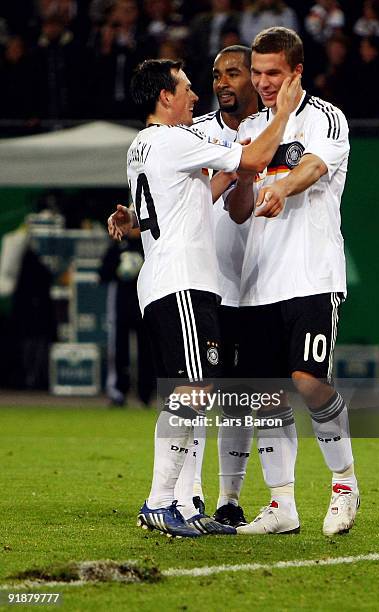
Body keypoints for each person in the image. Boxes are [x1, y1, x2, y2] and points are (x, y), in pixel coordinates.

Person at [107, 57, 301, 537]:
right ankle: (158, 503)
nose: (197, 97)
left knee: (190, 393)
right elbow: (253, 160)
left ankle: (183, 505)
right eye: (187, 88)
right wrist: (283, 114)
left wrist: (131, 219)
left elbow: (202, 193)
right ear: (164, 97)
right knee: (192, 394)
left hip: (166, 281)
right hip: (182, 282)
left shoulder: (144, 145)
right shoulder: (174, 139)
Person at [227, 27, 359, 536]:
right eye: (256, 72)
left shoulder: (326, 117)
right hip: (258, 281)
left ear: (296, 72)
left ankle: (344, 484)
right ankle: (282, 505)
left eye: (272, 73)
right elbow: (239, 211)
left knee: (308, 381)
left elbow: (313, 166)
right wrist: (244, 179)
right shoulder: (253, 127)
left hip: (310, 273)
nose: (261, 82)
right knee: (267, 396)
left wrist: (281, 183)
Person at [174, 45, 260, 528]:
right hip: (205, 282)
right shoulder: (196, 134)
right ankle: (191, 496)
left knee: (240, 395)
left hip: (258, 280)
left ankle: (230, 497)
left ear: (254, 78)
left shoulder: (273, 130)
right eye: (215, 75)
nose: (222, 82)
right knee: (195, 390)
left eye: (233, 73)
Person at [99, 228, 155, 407]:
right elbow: (103, 273)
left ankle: (146, 394)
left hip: (145, 302)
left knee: (147, 349)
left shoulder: (150, 243)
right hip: (121, 305)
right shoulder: (118, 245)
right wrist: (119, 269)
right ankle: (118, 391)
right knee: (118, 349)